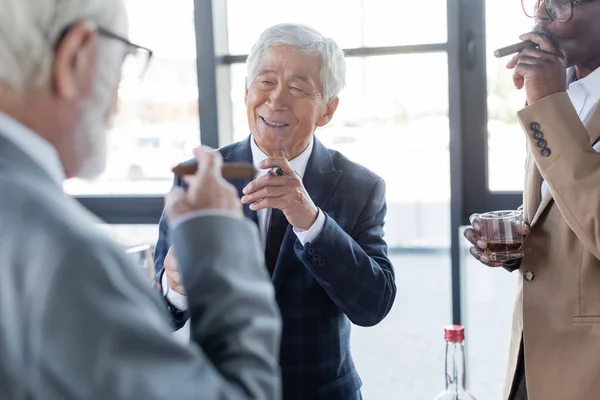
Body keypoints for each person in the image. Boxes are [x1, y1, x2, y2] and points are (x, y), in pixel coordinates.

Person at [0, 1, 281, 399]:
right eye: (123, 62)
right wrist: (221, 247)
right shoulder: (70, 257)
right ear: (76, 56)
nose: (115, 105)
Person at [155, 23, 397, 399]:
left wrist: (311, 221)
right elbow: (159, 315)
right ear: (246, 91)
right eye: (266, 82)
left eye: (298, 88)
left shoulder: (360, 187)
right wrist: (176, 287)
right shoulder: (198, 177)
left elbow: (374, 305)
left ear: (328, 109)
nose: (277, 100)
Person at [464, 0, 600, 399]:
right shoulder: (565, 93)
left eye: (562, 2)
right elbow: (566, 209)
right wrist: (518, 246)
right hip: (532, 362)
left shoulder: (551, 98)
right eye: (538, 2)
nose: (541, 15)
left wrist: (546, 105)